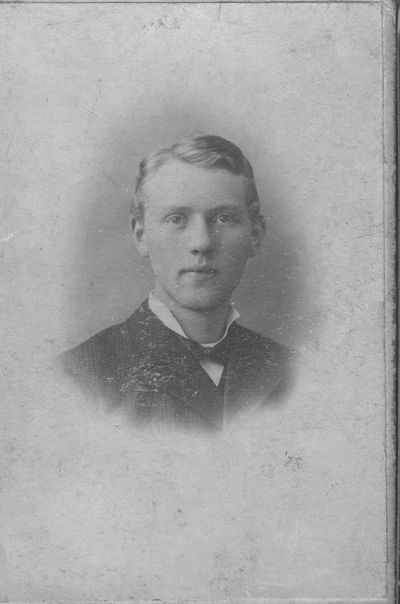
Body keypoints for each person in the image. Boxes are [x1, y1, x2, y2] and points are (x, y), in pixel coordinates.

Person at [60, 133, 292, 431]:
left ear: (255, 236)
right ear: (141, 236)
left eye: (223, 218)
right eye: (176, 219)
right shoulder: (77, 376)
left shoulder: (293, 370)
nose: (202, 243)